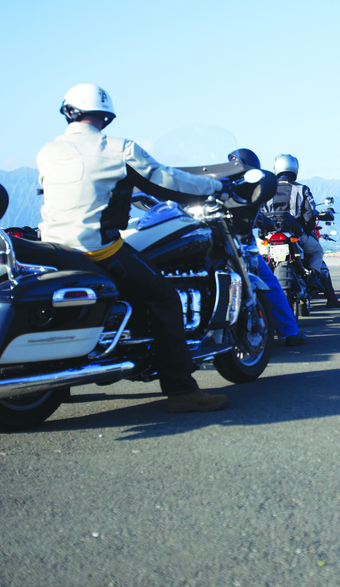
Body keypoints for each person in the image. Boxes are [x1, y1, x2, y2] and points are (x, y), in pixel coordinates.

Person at [38, 83, 228, 413]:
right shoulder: (118, 148)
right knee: (164, 297)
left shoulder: (47, 151)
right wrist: (216, 185)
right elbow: (166, 180)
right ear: (106, 116)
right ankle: (182, 389)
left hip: (52, 247)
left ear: (68, 112)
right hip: (97, 250)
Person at [225, 150, 309, 347]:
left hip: (219, 247)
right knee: (271, 284)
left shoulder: (219, 186)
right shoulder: (250, 188)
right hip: (240, 248)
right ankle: (290, 331)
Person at [262, 154, 340, 311]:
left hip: (270, 237)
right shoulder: (301, 189)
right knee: (316, 251)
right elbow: (310, 214)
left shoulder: (267, 190)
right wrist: (305, 230)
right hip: (295, 235)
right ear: (294, 168)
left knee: (257, 258)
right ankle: (314, 277)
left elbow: (258, 213)